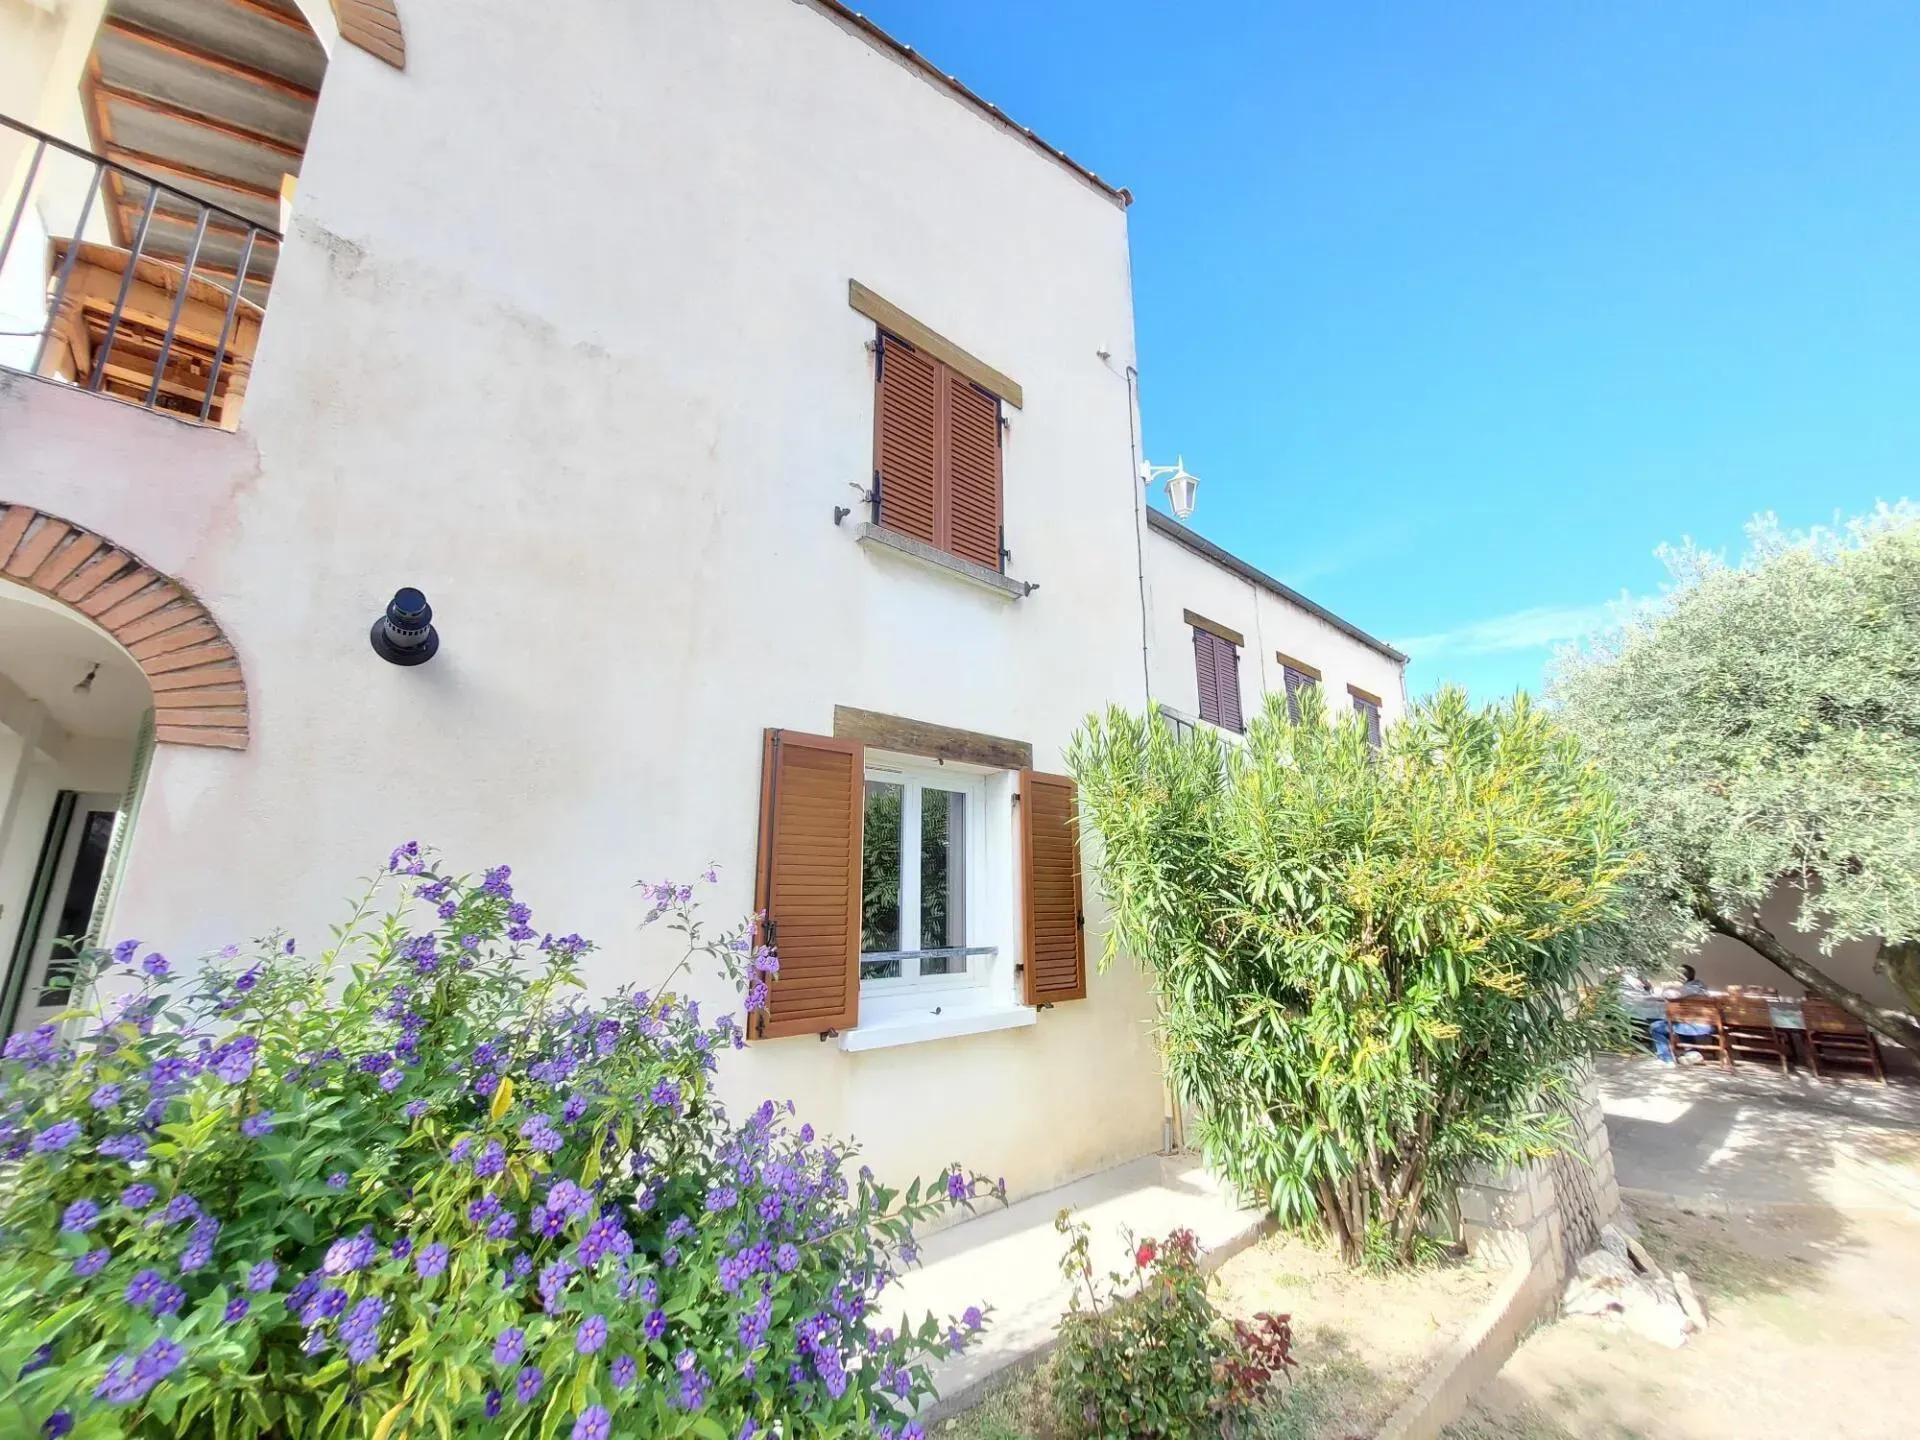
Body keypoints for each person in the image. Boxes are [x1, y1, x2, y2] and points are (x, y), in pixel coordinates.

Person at [1649, 965, 1713, 1063]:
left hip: (1695, 1027)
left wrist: (1669, 986)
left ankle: (1666, 1058)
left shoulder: (1689, 988)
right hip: (1704, 1025)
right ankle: (1692, 1052)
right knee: (1679, 1021)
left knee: (1656, 1027)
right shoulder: (1699, 986)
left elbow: (1669, 995)